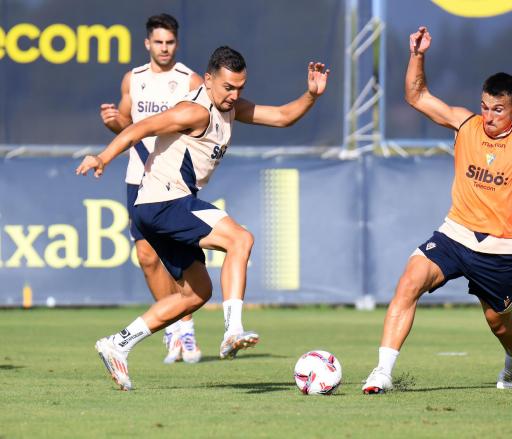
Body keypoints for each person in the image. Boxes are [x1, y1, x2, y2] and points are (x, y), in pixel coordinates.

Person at [77, 46, 329, 390]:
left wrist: (311, 96)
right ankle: (233, 330)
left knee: (196, 294)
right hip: (162, 201)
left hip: (162, 205)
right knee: (241, 239)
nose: (234, 95)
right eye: (227, 87)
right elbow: (141, 128)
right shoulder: (193, 111)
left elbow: (283, 116)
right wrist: (103, 158)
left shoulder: (230, 107)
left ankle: (118, 343)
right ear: (209, 79)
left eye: (240, 87)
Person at [362, 26, 512, 394]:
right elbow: (416, 95)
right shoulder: (465, 123)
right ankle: (382, 373)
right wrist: (417, 54)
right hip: (454, 234)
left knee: (499, 322)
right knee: (408, 283)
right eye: (485, 107)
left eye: (498, 109)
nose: (489, 116)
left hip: (496, 249)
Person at [99, 13, 205, 364]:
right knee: (146, 257)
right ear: (147, 43)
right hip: (137, 177)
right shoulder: (134, 78)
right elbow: (128, 127)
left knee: (179, 258)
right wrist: (115, 122)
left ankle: (185, 328)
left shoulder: (188, 80)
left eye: (170, 42)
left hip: (170, 179)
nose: (164, 48)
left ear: (177, 43)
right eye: (158, 42)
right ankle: (173, 330)